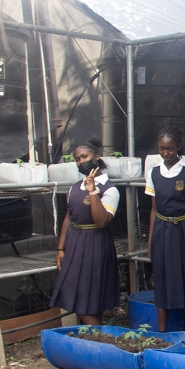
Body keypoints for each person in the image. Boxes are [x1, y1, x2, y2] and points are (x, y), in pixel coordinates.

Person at [51, 139, 121, 326]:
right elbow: (68, 217)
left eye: (84, 156)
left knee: (90, 298)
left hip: (95, 245)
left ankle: (100, 336)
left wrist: (93, 192)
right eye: (77, 159)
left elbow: (101, 222)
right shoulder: (75, 187)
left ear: (96, 157)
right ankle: (97, 337)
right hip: (74, 242)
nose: (81, 162)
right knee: (70, 291)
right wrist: (61, 248)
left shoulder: (109, 189)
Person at [145, 125, 185, 333]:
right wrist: (151, 241)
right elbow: (153, 210)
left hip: (184, 230)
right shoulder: (153, 173)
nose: (165, 153)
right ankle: (161, 333)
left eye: (170, 148)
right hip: (162, 230)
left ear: (178, 146)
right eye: (161, 148)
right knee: (162, 279)